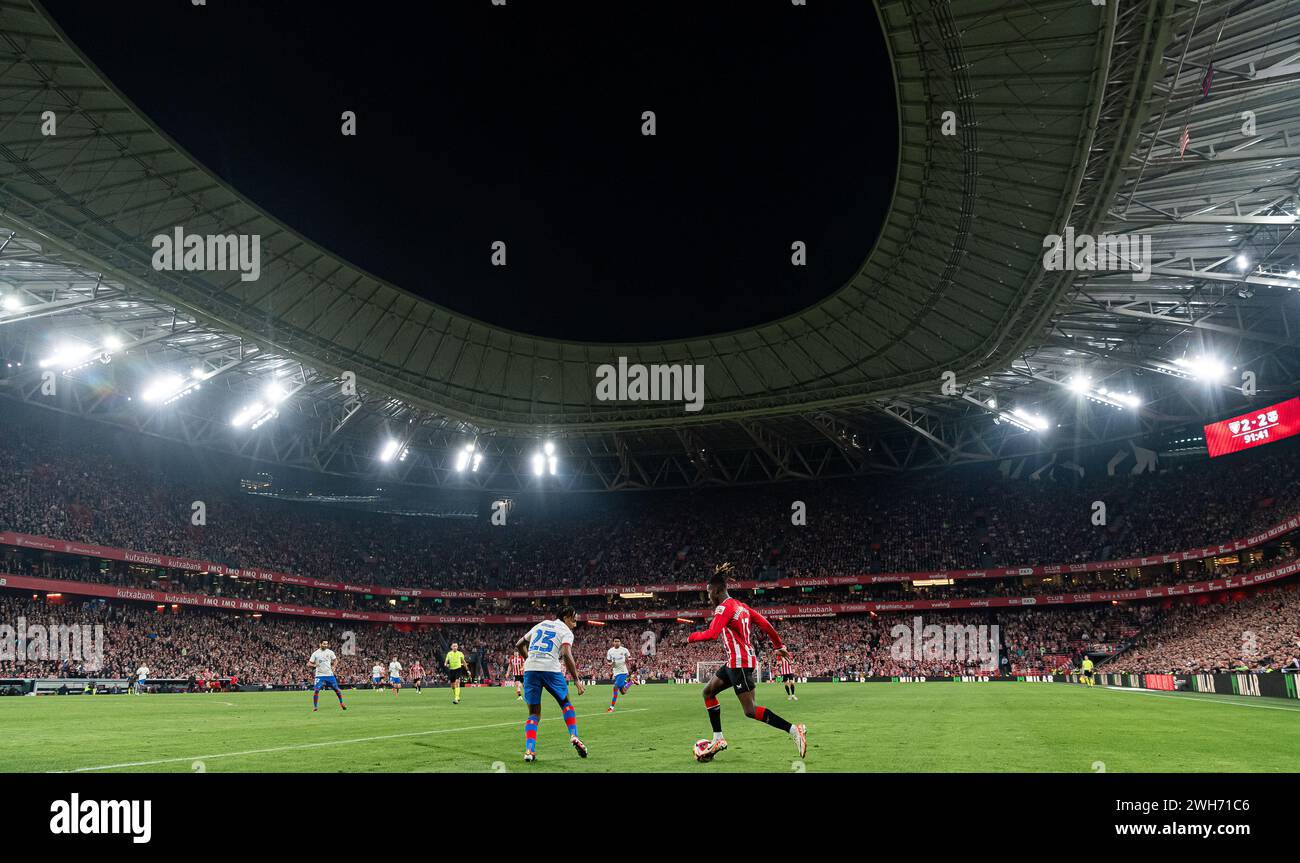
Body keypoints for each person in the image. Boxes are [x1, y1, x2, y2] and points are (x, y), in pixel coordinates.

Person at [688, 573, 806, 762]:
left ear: (717, 591)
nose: (708, 597)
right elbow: (766, 625)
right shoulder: (742, 606)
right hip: (736, 662)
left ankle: (793, 730)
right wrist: (778, 645)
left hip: (739, 663)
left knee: (750, 710)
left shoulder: (724, 608)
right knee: (708, 692)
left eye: (709, 593)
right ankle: (718, 738)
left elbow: (712, 634)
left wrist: (690, 638)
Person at [515, 607, 587, 763]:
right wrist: (576, 679)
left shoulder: (541, 624)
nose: (575, 624)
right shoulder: (566, 632)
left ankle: (529, 750)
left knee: (533, 713)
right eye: (574, 620)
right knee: (565, 703)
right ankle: (574, 735)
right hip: (550, 669)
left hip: (531, 669)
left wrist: (529, 659)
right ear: (567, 617)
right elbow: (567, 653)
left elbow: (519, 644)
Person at [309, 640, 346, 712]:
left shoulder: (330, 652)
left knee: (336, 689)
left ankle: (341, 702)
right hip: (319, 675)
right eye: (324, 644)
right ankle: (315, 707)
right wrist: (314, 665)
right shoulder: (315, 653)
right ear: (320, 644)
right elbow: (309, 664)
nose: (325, 645)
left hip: (329, 675)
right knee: (316, 690)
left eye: (326, 644)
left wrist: (334, 667)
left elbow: (335, 660)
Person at [606, 637, 632, 713]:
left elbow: (628, 658)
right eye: (615, 641)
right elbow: (608, 662)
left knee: (615, 687)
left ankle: (611, 707)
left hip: (623, 671)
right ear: (613, 642)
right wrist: (611, 663)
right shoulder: (610, 651)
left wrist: (630, 659)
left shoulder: (624, 650)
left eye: (618, 641)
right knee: (623, 692)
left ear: (620, 642)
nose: (617, 642)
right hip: (616, 673)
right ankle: (631, 682)